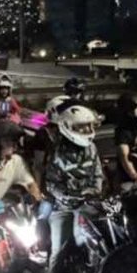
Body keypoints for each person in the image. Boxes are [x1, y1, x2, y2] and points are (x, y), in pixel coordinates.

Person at [40, 103, 104, 261]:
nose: (87, 131)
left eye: (89, 126)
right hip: (63, 208)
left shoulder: (92, 148)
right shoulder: (56, 152)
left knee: (99, 244)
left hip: (88, 205)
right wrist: (68, 197)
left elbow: (98, 174)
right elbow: (51, 183)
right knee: (59, 250)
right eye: (82, 127)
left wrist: (95, 191)